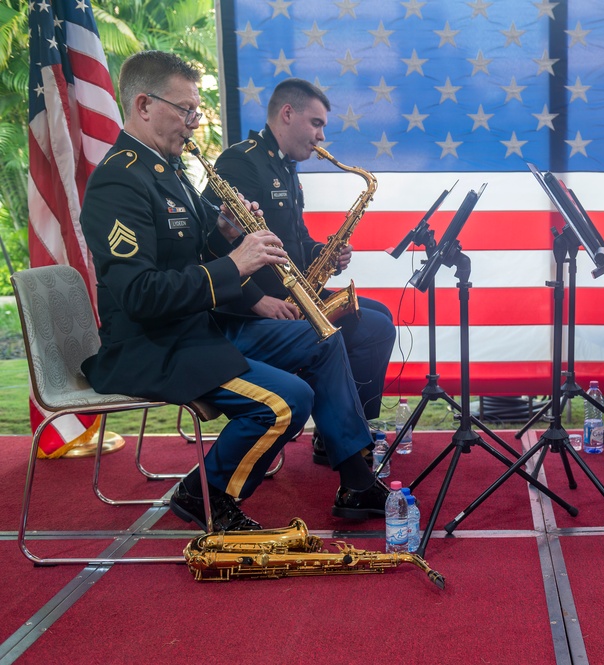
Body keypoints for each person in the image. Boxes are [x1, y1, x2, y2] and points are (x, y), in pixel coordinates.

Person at [79, 51, 389, 532]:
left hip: (198, 329)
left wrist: (226, 232)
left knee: (325, 338)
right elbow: (140, 295)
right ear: (143, 105)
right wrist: (234, 263)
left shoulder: (170, 171)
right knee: (285, 401)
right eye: (185, 110)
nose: (193, 123)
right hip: (152, 346)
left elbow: (195, 245)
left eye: (194, 111)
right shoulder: (119, 181)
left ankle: (355, 478)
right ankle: (204, 495)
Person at [206, 78, 395, 466]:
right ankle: (346, 440)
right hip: (253, 308)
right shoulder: (241, 162)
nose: (321, 136)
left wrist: (323, 252)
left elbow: (295, 240)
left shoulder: (285, 166)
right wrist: (258, 300)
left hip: (295, 294)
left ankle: (343, 431)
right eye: (316, 123)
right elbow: (213, 247)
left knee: (381, 317)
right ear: (287, 114)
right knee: (371, 328)